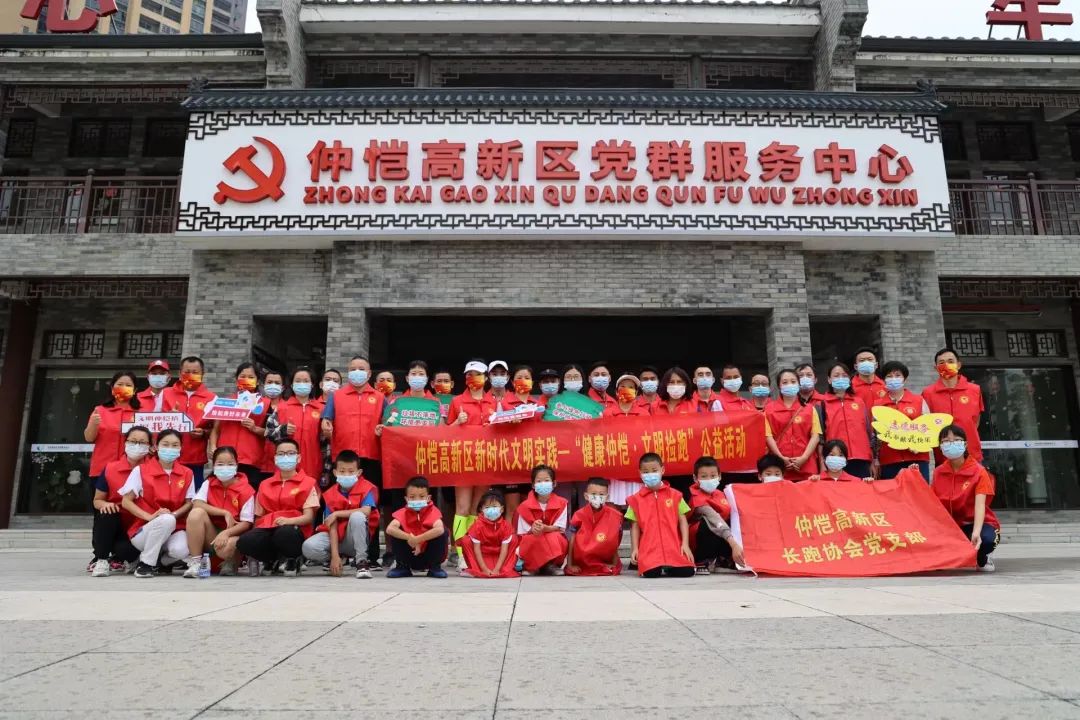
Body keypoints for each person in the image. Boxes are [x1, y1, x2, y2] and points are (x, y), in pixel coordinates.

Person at [322, 355, 385, 566]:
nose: (357, 372)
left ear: (369, 373)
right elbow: (326, 420)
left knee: (371, 507)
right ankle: (336, 552)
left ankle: (371, 555)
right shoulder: (336, 396)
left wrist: (383, 429)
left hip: (371, 457)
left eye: (361, 368)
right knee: (337, 503)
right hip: (344, 461)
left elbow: (389, 423)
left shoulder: (379, 397)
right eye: (353, 368)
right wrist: (325, 425)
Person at [235, 438, 320, 577]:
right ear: (275, 458)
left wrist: (289, 521)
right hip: (269, 527)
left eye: (290, 453)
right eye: (281, 454)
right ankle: (270, 560)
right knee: (245, 541)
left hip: (294, 529)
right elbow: (259, 517)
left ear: (298, 458)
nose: (286, 457)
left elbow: (308, 517)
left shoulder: (308, 483)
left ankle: (293, 559)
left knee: (285, 533)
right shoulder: (265, 484)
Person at [119, 429, 196, 579]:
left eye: (175, 445)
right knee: (166, 520)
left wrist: (174, 515)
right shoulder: (141, 470)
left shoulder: (187, 473)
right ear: (156, 447)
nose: (170, 449)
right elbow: (126, 502)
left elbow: (189, 502)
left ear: (181, 448)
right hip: (144, 531)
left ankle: (161, 562)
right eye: (165, 444)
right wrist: (150, 517)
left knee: (182, 550)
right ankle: (146, 564)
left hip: (174, 528)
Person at [931, 424, 999, 572]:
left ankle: (982, 558)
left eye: (956, 440)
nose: (951, 444)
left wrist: (976, 532)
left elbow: (980, 505)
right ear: (940, 447)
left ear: (965, 444)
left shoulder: (979, 472)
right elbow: (932, 504)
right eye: (946, 441)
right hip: (950, 526)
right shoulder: (938, 472)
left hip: (974, 524)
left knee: (987, 539)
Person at [446, 360, 494, 565]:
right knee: (463, 508)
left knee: (476, 509)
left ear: (486, 378)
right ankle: (460, 554)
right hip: (463, 460)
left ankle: (473, 551)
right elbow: (445, 433)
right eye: (469, 374)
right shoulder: (457, 401)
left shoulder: (492, 402)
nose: (473, 378)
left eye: (477, 374)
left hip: (485, 460)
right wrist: (458, 422)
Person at [302, 450, 378, 579]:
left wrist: (337, 513)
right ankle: (337, 560)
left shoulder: (367, 488)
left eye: (351, 471)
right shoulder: (330, 494)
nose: (346, 475)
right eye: (342, 471)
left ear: (359, 472)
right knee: (308, 547)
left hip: (355, 538)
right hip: (337, 535)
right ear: (335, 472)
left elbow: (366, 511)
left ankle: (362, 562)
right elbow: (332, 526)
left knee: (357, 516)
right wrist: (334, 555)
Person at [183, 446, 255, 577]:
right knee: (196, 513)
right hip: (211, 533)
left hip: (233, 534)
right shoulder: (209, 483)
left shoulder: (246, 490)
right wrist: (224, 512)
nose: (225, 468)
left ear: (237, 465)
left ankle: (231, 561)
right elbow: (197, 503)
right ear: (214, 466)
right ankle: (196, 563)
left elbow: (247, 523)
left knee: (227, 548)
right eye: (220, 464)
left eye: (230, 464)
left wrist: (226, 533)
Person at [89, 425, 149, 576]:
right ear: (125, 442)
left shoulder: (154, 469)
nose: (137, 445)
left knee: (126, 551)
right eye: (133, 441)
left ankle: (134, 559)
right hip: (117, 523)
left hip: (142, 525)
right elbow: (97, 500)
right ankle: (101, 560)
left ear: (150, 446)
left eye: (142, 442)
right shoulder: (110, 468)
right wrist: (106, 504)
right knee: (106, 514)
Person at [626, 453, 695, 578]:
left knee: (687, 571)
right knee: (650, 573)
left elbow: (683, 521)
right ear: (640, 473)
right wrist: (635, 549)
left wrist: (685, 544)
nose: (650, 474)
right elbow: (634, 527)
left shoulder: (675, 495)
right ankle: (657, 565)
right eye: (645, 472)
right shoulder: (635, 500)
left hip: (674, 546)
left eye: (654, 470)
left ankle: (669, 567)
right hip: (649, 548)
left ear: (662, 470)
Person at [210, 362, 269, 488]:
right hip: (225, 459)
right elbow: (216, 429)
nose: (246, 380)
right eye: (242, 376)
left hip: (251, 460)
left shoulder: (265, 404)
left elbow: (270, 433)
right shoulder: (225, 403)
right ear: (236, 379)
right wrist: (213, 446)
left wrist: (255, 428)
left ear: (258, 381)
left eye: (251, 377)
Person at [923, 348, 986, 464]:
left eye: (950, 361)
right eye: (941, 362)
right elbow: (927, 423)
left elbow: (976, 421)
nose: (946, 365)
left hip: (971, 454)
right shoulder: (928, 393)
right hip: (942, 455)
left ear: (959, 365)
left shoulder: (974, 390)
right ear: (936, 368)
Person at [162, 356, 216, 489]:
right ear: (180, 373)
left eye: (195, 372)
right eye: (187, 372)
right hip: (169, 455)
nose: (190, 375)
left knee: (194, 495)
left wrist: (204, 433)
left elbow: (215, 429)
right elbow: (154, 423)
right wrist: (169, 418)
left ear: (203, 374)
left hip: (195, 458)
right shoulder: (165, 394)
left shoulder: (212, 398)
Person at [874, 360, 932, 480]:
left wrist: (920, 445)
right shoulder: (878, 405)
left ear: (904, 379)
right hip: (889, 460)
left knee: (919, 490)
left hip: (917, 458)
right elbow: (876, 434)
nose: (893, 379)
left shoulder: (918, 401)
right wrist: (876, 458)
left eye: (897, 375)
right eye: (889, 376)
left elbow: (929, 427)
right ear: (884, 380)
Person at [687, 457, 744, 574]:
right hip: (698, 540)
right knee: (707, 523)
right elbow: (715, 519)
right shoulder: (697, 499)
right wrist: (734, 545)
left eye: (713, 476)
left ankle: (723, 558)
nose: (709, 479)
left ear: (719, 476)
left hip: (722, 533)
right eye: (704, 476)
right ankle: (703, 560)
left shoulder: (722, 494)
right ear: (695, 478)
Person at [764, 369, 822, 482]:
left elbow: (815, 436)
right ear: (779, 386)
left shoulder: (809, 409)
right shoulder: (769, 409)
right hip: (779, 467)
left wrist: (804, 458)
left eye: (793, 381)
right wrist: (780, 458)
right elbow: (768, 436)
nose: (789, 385)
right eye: (785, 382)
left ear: (798, 384)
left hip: (806, 465)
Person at [386, 476, 449, 578]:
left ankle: (435, 567)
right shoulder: (403, 512)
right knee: (396, 531)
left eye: (421, 496)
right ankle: (402, 567)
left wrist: (418, 539)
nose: (417, 500)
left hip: (428, 555)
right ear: (406, 499)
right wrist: (409, 538)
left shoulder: (433, 511)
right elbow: (390, 529)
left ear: (428, 498)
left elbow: (439, 529)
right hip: (409, 554)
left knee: (443, 531)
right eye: (412, 497)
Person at [270, 366, 325, 481]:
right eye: (298, 381)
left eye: (306, 381)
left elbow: (325, 441)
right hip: (286, 461)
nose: (302, 384)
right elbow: (268, 433)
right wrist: (282, 430)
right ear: (292, 384)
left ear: (312, 384)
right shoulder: (282, 407)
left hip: (313, 462)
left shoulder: (321, 409)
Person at [820, 362, 874, 479]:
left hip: (861, 458)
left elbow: (868, 432)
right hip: (836, 460)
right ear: (829, 380)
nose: (841, 378)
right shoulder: (822, 404)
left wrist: (872, 459)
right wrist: (822, 462)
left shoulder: (859, 402)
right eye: (836, 375)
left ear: (849, 379)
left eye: (844, 375)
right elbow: (820, 437)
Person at [84, 370, 139, 481]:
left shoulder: (141, 413)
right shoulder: (100, 410)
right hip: (102, 469)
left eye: (128, 385)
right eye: (120, 384)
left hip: (132, 470)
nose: (124, 387)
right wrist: (93, 424)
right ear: (112, 388)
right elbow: (89, 438)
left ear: (134, 390)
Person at [516, 464, 569, 575]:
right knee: (530, 539)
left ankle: (551, 566)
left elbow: (559, 528)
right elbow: (523, 532)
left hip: (553, 535)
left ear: (554, 483)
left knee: (556, 537)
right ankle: (533, 567)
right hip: (534, 537)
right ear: (533, 485)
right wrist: (533, 529)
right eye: (539, 481)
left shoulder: (562, 503)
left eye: (546, 480)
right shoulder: (524, 506)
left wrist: (545, 528)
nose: (543, 484)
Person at [565, 478, 623, 576]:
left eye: (601, 494)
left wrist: (613, 564)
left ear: (607, 497)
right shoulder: (578, 515)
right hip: (581, 560)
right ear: (586, 496)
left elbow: (614, 541)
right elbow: (572, 539)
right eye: (593, 494)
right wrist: (570, 564)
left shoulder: (615, 516)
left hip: (604, 559)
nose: (597, 497)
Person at [459, 490, 520, 578]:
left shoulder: (506, 526)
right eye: (487, 507)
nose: (491, 509)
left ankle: (505, 568)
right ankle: (476, 569)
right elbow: (476, 549)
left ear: (502, 509)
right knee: (466, 540)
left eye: (494, 506)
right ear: (481, 509)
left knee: (514, 539)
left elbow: (504, 549)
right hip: (482, 556)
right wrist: (484, 569)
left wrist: (497, 569)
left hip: (500, 557)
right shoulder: (477, 525)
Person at [255, 369, 287, 482]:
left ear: (283, 387)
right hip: (256, 461)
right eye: (269, 382)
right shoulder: (254, 405)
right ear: (263, 385)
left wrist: (257, 430)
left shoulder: (288, 408)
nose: (273, 385)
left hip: (279, 462)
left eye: (277, 383)